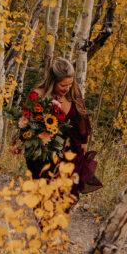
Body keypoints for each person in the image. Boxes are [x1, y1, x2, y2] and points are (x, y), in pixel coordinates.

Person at [20, 57, 102, 197]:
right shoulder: (37, 95)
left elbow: (82, 117)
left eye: (70, 84)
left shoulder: (73, 92)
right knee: (46, 197)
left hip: (69, 150)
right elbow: (27, 125)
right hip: (44, 154)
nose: (67, 88)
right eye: (63, 85)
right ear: (53, 81)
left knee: (66, 195)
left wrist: (84, 141)